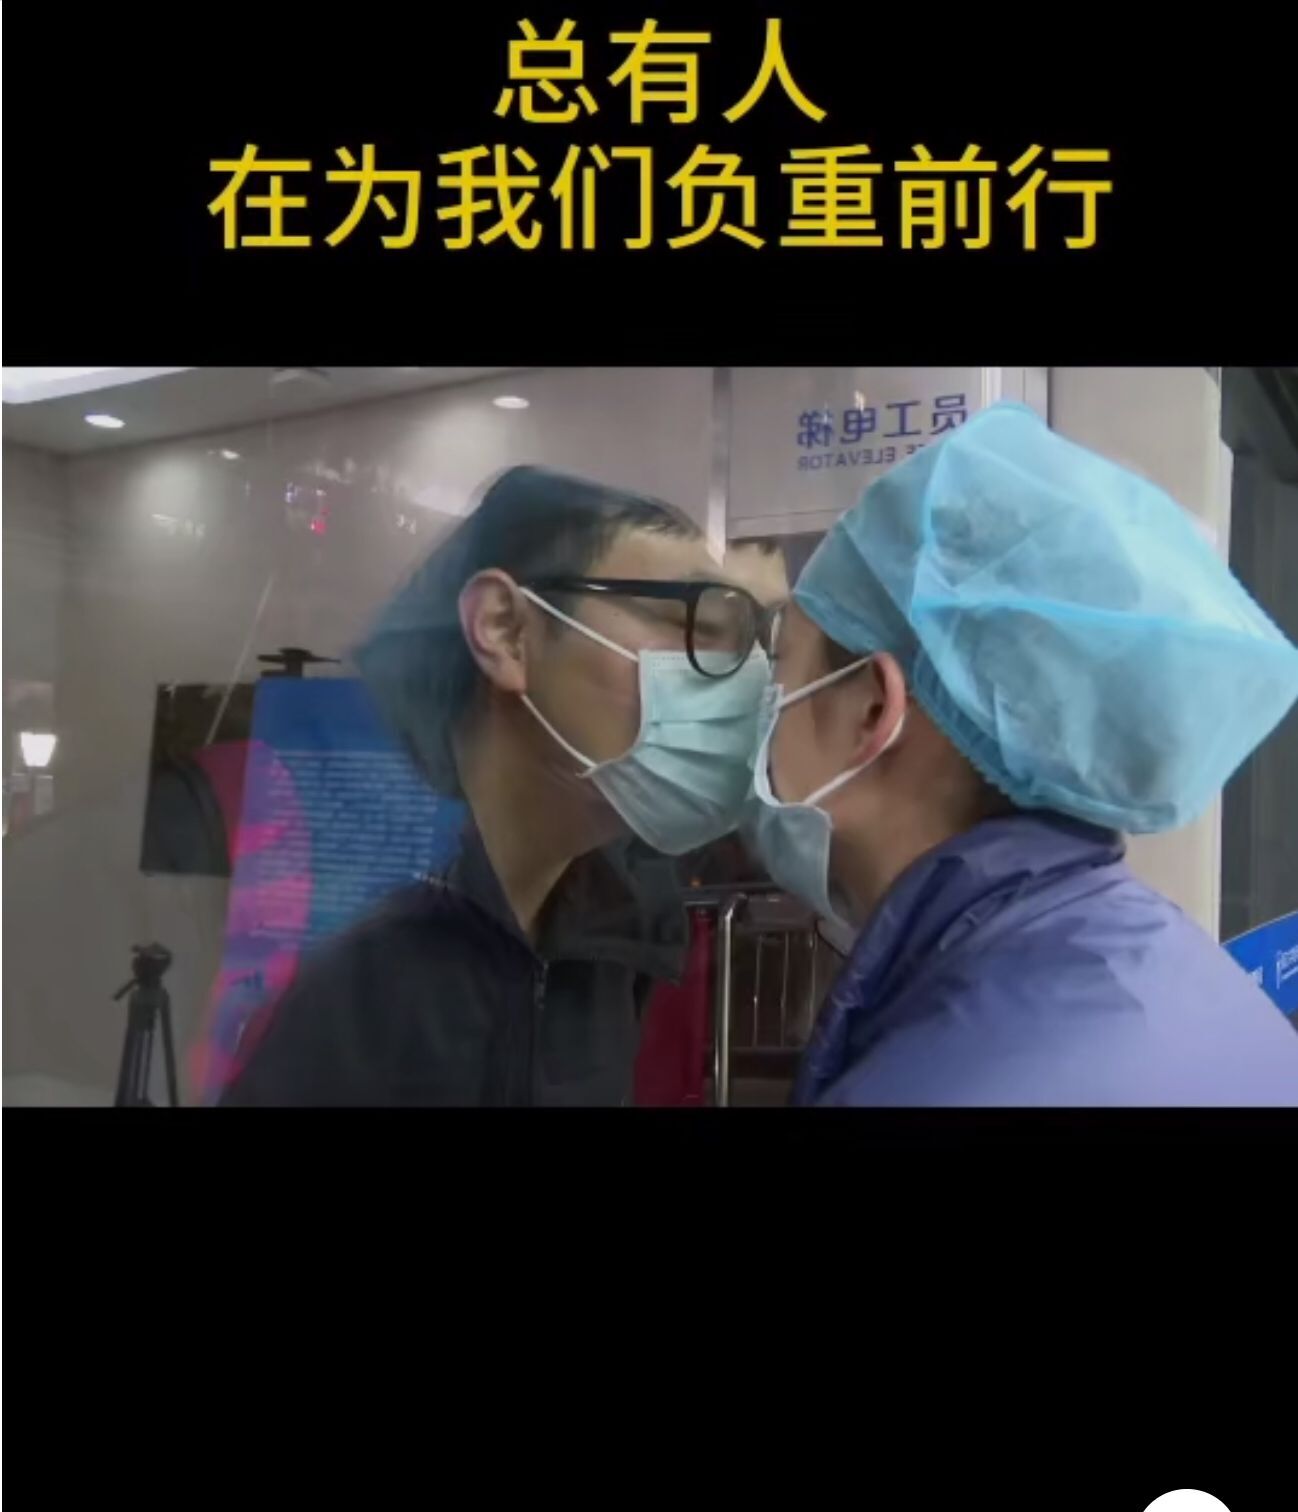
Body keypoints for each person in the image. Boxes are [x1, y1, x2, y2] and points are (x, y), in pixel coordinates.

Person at [745, 402, 1298, 1106]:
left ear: (873, 712)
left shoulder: (936, 1082)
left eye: (780, 662)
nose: (762, 706)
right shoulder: (1181, 978)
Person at [222, 466, 771, 1106]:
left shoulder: (614, 947)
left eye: (737, 638)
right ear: (505, 630)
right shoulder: (356, 985)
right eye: (693, 625)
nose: (736, 677)